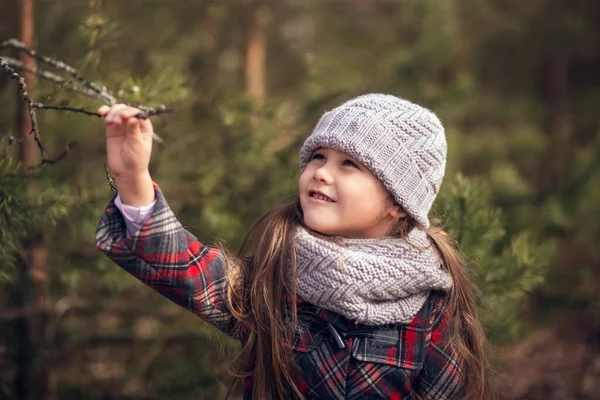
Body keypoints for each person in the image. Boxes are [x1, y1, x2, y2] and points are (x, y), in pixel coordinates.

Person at [96, 94, 490, 400]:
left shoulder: (430, 302)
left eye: (349, 164)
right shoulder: (277, 270)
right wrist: (134, 177)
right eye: (318, 156)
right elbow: (185, 268)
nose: (321, 172)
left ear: (397, 203)